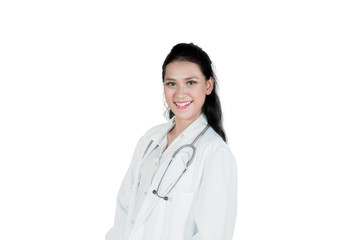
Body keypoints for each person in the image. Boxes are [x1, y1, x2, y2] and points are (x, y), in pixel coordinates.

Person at [105, 43, 237, 240]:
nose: (180, 93)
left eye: (190, 82)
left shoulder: (215, 153)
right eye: (171, 83)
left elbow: (213, 235)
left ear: (208, 85)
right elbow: (124, 212)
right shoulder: (149, 141)